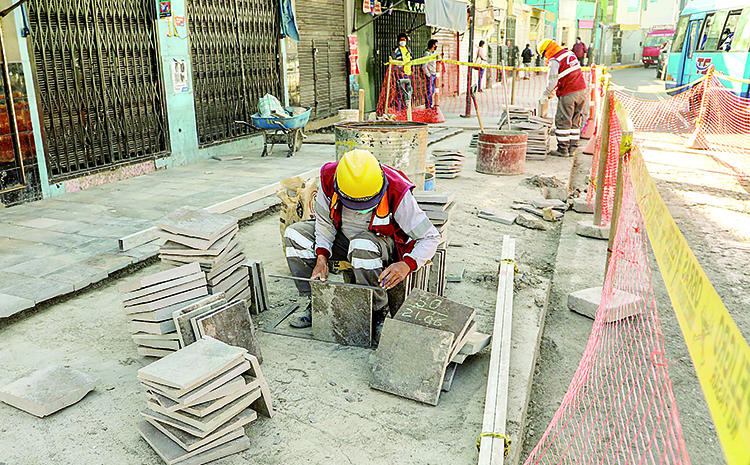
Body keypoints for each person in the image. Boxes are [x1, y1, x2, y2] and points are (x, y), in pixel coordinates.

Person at [283, 150, 441, 332]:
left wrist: (407, 264)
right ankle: (316, 302)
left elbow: (430, 236)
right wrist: (321, 258)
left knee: (362, 244)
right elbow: (325, 224)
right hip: (342, 238)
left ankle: (377, 312)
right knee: (295, 235)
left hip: (378, 242)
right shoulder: (328, 179)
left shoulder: (397, 189)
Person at [537, 38, 588, 157]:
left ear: (547, 50)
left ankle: (562, 150)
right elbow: (568, 73)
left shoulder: (554, 60)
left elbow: (552, 81)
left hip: (569, 93)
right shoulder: (569, 53)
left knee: (563, 120)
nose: (545, 58)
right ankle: (572, 148)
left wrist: (546, 93)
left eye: (544, 55)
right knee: (575, 121)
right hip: (581, 91)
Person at [391, 32, 413, 110]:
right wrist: (398, 71)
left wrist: (412, 70)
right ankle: (399, 108)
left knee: (408, 91)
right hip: (400, 74)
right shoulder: (396, 50)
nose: (403, 41)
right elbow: (393, 61)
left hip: (408, 73)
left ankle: (406, 108)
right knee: (400, 91)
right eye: (401, 40)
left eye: (404, 39)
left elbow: (411, 59)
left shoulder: (408, 49)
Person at [423, 39, 439, 108]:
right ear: (433, 45)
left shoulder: (434, 54)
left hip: (433, 74)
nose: (436, 46)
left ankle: (430, 104)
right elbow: (424, 65)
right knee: (429, 90)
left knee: (432, 91)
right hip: (430, 75)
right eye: (436, 44)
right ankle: (428, 105)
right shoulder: (427, 54)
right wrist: (428, 74)